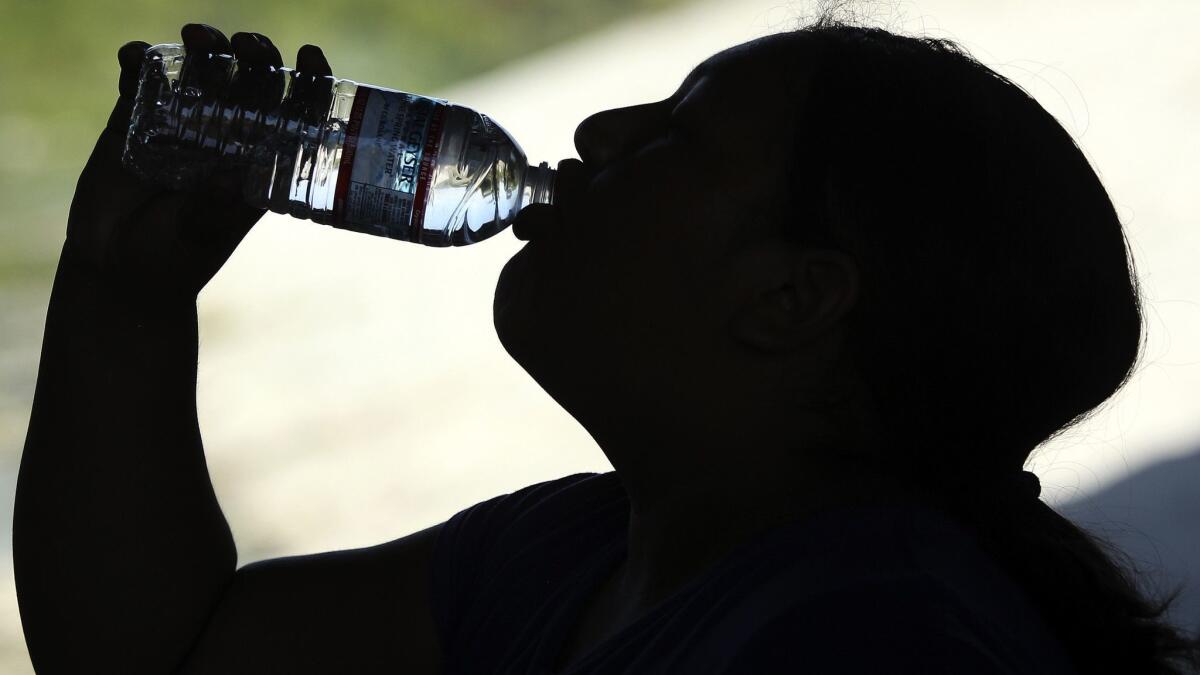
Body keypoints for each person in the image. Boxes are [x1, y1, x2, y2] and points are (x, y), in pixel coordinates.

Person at [13, 14, 1200, 675]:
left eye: (677, 133)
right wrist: (128, 293)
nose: (596, 127)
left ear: (791, 300)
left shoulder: (867, 644)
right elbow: (161, 658)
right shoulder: (579, 554)